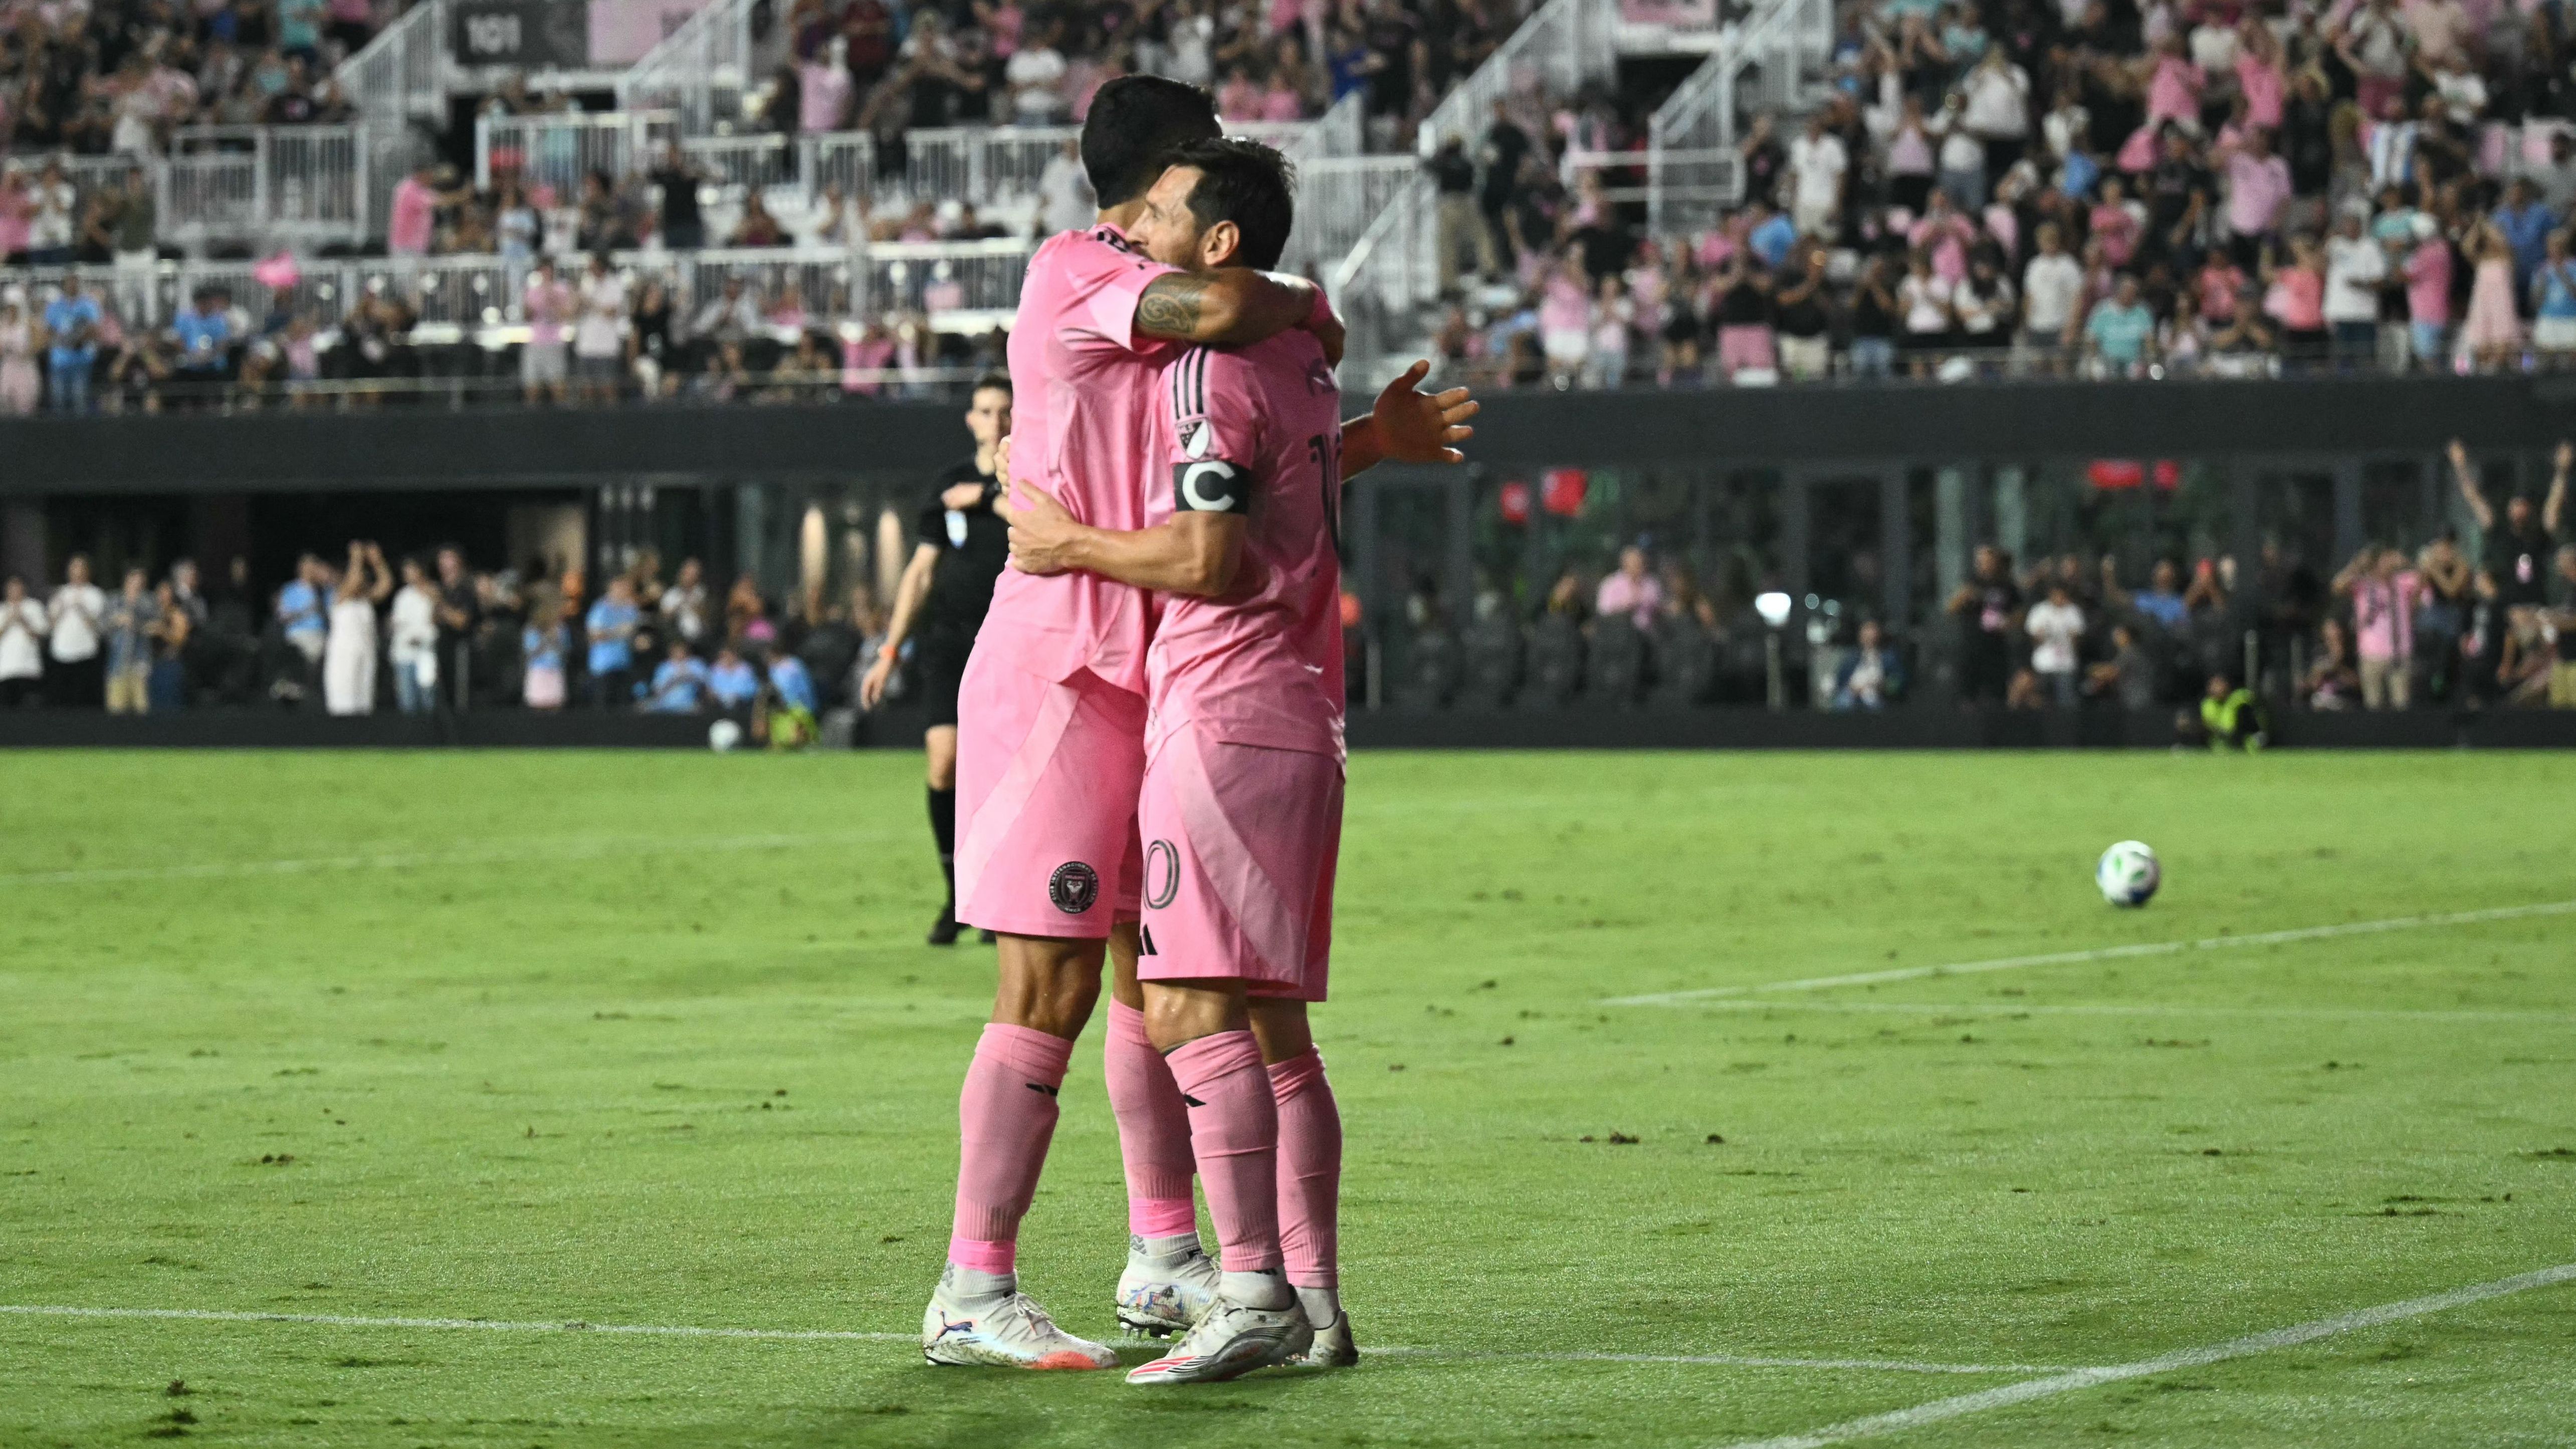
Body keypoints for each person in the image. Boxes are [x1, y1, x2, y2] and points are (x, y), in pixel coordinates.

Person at [920, 74, 1394, 1379]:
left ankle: (1164, 1251)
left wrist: (1360, 434)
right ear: (1167, 172)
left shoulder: (1194, 337)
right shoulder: (1079, 270)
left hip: (1169, 665)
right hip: (1065, 662)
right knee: (1054, 981)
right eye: (1205, 152)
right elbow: (1247, 299)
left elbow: (1237, 476)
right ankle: (974, 1283)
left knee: (1155, 975)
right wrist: (1305, 299)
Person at [998, 135, 1475, 1383]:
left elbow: (1207, 560)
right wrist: (1377, 435)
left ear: (1216, 246)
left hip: (1218, 707)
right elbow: (1285, 490)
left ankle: (1249, 1287)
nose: (1133, 236)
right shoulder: (1304, 365)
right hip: (1303, 712)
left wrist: (1068, 546)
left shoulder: (1208, 374)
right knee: (1275, 1029)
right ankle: (1313, 1305)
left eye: (1157, 217)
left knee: (1189, 1005)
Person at [862, 373, 1014, 945]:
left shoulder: (1029, 478)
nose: (994, 421)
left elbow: (1045, 526)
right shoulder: (947, 482)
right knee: (944, 763)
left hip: (1008, 639)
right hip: (948, 639)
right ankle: (958, 896)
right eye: (984, 410)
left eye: (1004, 410)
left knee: (1000, 772)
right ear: (970, 419)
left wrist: (988, 499)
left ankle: (998, 898)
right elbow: (921, 570)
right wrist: (889, 652)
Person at [2450, 438, 2567, 610]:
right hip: (2504, 607)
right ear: (2509, 509)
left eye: (2523, 506)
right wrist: (2461, 467)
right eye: (2516, 505)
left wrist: (2562, 471)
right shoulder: (2498, 532)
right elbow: (2475, 499)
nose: (2519, 511)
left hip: (2535, 606)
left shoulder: (2538, 536)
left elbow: (2554, 507)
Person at [322, 542, 392, 715]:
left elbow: (386, 586)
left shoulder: (366, 600)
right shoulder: (339, 596)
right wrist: (357, 558)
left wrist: (378, 562)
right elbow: (353, 582)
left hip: (366, 651)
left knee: (364, 698)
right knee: (344, 698)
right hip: (344, 653)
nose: (361, 581)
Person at [46, 555, 107, 708]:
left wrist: (81, 607)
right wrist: (62, 607)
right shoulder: (61, 593)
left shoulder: (95, 594)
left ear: (87, 571)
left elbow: (96, 625)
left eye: (80, 568)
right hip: (61, 652)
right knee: (62, 700)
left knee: (83, 700)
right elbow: (51, 624)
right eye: (74, 568)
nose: (77, 572)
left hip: (85, 653)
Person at [387, 555, 441, 713]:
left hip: (426, 652)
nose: (407, 574)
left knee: (428, 697)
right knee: (407, 700)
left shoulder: (434, 592)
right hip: (404, 653)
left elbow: (436, 619)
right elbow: (397, 623)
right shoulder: (402, 596)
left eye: (411, 570)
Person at [43, 274, 102, 415]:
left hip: (81, 358)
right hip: (60, 360)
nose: (72, 286)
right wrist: (64, 339)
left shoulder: (88, 305)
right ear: (64, 285)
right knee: (58, 399)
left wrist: (77, 338)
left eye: (75, 283)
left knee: (79, 399)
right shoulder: (55, 306)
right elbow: (48, 331)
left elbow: (95, 330)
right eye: (69, 283)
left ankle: (81, 434)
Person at [102, 567, 158, 714]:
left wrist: (137, 624)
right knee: (116, 708)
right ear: (127, 580)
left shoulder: (148, 601)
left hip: (141, 661)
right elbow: (102, 626)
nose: (138, 584)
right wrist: (116, 620)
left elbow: (156, 626)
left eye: (141, 582)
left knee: (141, 707)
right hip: (118, 662)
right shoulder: (114, 600)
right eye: (135, 580)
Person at [2024, 581, 2085, 706]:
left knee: (2067, 703)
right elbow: (2032, 638)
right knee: (2043, 702)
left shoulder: (2073, 611)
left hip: (2066, 665)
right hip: (2044, 664)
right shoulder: (2040, 610)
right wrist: (2040, 636)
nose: (2060, 598)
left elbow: (2079, 641)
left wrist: (2074, 638)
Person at [585, 576, 641, 707]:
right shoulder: (600, 608)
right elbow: (593, 636)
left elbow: (633, 634)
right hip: (603, 667)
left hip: (623, 665)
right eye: (621, 587)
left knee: (623, 707)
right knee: (604, 707)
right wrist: (617, 632)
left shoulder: (631, 609)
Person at [0, 575, 45, 707]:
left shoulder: (34, 606)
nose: (15, 591)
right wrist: (8, 622)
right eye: (11, 588)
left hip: (29, 669)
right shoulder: (2, 610)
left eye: (18, 587)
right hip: (5, 671)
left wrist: (23, 621)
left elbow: (41, 634)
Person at [642, 639, 709, 712]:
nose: (679, 654)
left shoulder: (696, 664)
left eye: (681, 651)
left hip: (690, 703)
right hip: (665, 703)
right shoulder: (664, 667)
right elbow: (657, 689)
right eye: (676, 651)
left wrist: (688, 677)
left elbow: (705, 682)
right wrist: (673, 680)